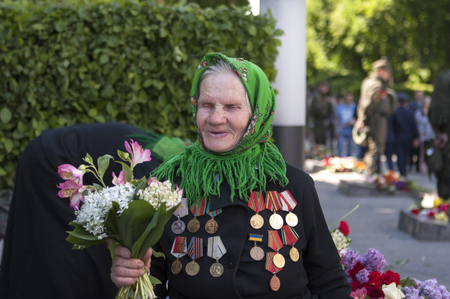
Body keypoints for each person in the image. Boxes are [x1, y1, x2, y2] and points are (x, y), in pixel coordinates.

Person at [110, 53, 351, 298]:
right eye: (207, 105)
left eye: (232, 107)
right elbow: (151, 284)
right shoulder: (166, 186)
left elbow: (328, 280)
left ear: (256, 113)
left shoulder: (293, 185)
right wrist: (130, 276)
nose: (216, 118)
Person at [0, 123, 164, 299]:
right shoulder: (163, 176)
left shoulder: (165, 151)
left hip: (46, 152)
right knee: (63, 261)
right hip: (51, 161)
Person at [355, 57, 397, 175]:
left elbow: (361, 103)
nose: (388, 75)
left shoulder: (368, 82)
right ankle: (372, 174)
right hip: (377, 120)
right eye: (387, 72)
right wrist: (363, 119)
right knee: (376, 148)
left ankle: (372, 173)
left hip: (372, 118)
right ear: (380, 71)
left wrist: (361, 118)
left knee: (373, 147)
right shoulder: (377, 85)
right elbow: (370, 103)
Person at [429, 70, 450, 199]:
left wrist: (438, 131)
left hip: (441, 132)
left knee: (444, 170)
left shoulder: (441, 78)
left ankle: (444, 204)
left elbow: (433, 110)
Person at [392, 92, 419, 177]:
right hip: (408, 137)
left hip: (398, 136)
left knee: (400, 154)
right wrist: (416, 137)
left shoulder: (395, 112)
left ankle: (401, 171)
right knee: (406, 154)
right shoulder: (410, 113)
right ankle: (404, 171)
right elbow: (414, 126)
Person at [414, 96, 435, 174]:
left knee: (431, 152)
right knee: (422, 153)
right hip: (423, 136)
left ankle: (431, 167)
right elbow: (417, 124)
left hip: (432, 136)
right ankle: (422, 167)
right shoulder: (419, 113)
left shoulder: (433, 112)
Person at [310, 81, 334, 146]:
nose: (326, 89)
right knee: (318, 140)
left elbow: (331, 110)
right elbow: (315, 110)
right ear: (320, 87)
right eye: (325, 87)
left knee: (324, 140)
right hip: (318, 122)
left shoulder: (326, 98)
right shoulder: (316, 97)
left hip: (325, 123)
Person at [408, 90, 425, 172]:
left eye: (420, 95)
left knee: (420, 151)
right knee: (412, 149)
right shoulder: (411, 105)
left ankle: (418, 166)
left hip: (423, 132)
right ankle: (411, 164)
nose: (419, 97)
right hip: (413, 130)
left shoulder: (424, 105)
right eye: (418, 95)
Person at [335, 92, 356, 157]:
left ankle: (349, 163)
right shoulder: (340, 107)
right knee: (340, 148)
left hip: (351, 130)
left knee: (351, 149)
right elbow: (336, 119)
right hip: (341, 130)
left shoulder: (355, 107)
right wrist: (335, 129)